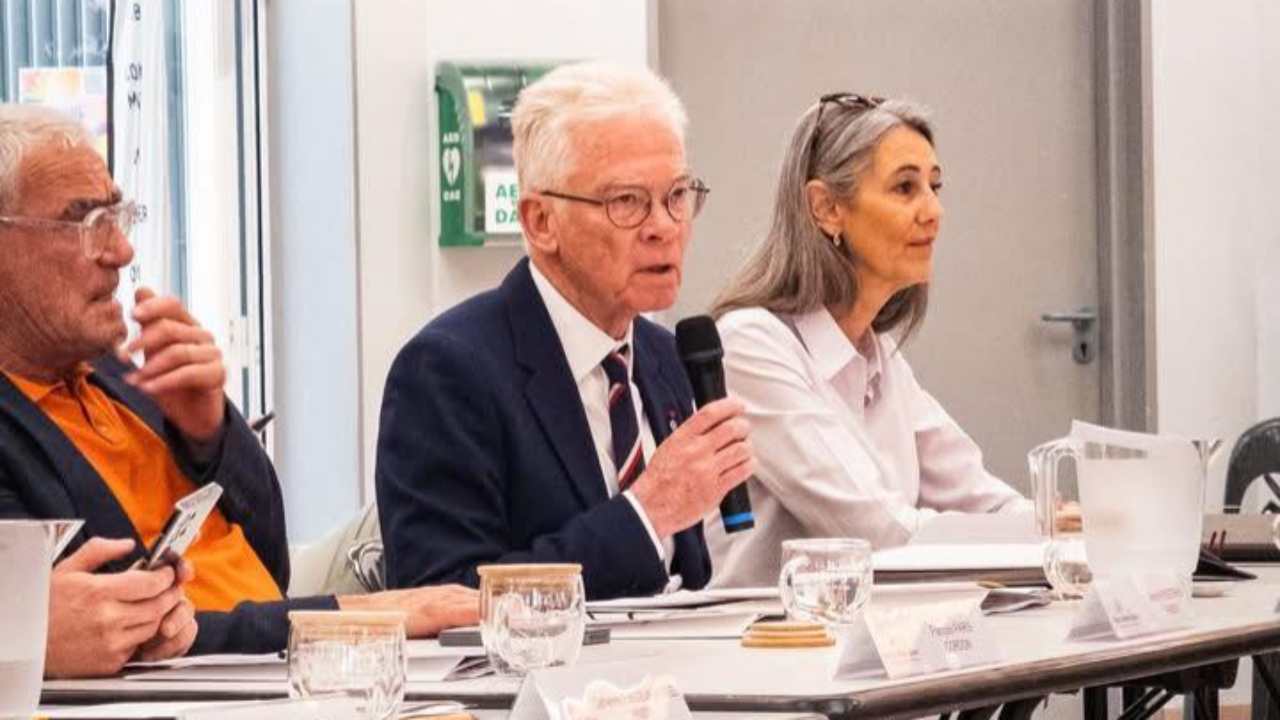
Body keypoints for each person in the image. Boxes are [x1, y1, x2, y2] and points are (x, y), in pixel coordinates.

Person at [0, 104, 477, 676]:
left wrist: (212, 433)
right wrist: (349, 615)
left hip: (290, 664)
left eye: (118, 217)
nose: (120, 253)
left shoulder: (124, 375)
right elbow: (120, 634)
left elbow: (268, 561)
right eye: (84, 223)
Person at [376, 62, 755, 600]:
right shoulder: (448, 370)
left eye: (677, 195)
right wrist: (645, 513)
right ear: (539, 222)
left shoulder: (665, 356)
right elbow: (442, 599)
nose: (664, 227)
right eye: (626, 201)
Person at [705, 94, 1031, 588]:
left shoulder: (878, 355)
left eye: (935, 186)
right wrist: (1043, 544)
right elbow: (879, 534)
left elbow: (981, 497)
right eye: (905, 187)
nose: (934, 211)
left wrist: (1064, 528)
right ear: (827, 208)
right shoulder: (751, 345)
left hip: (852, 635)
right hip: (759, 644)